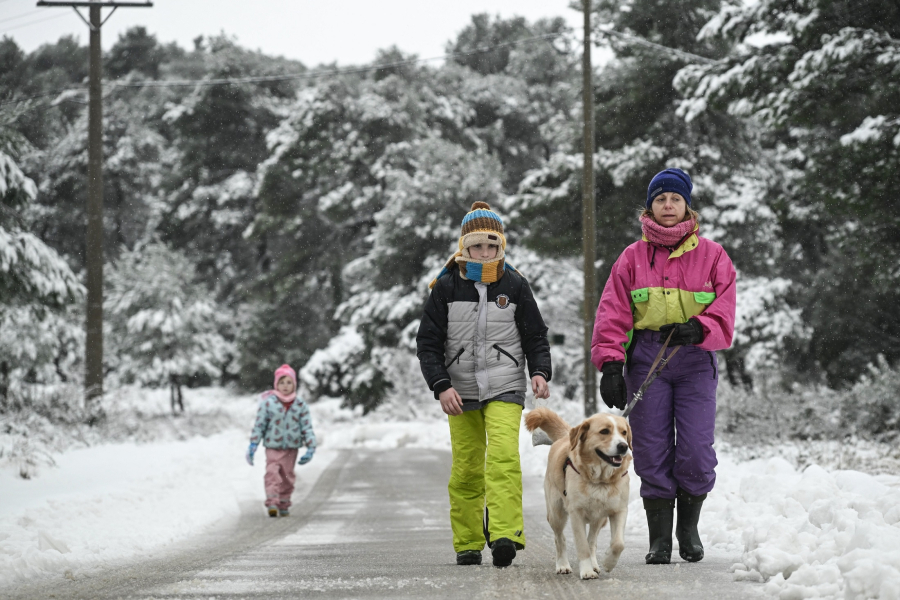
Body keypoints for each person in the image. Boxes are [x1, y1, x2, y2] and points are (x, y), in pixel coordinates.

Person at [591, 168, 736, 565]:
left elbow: (724, 310)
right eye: (660, 199)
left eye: (675, 199)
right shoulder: (631, 258)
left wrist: (700, 327)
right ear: (650, 207)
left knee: (695, 449)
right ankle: (659, 539)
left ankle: (688, 530)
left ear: (687, 206)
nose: (668, 205)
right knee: (651, 448)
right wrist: (611, 365)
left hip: (694, 359)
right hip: (647, 359)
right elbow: (613, 313)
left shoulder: (713, 256)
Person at [416, 201, 552, 568]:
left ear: (501, 246)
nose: (485, 253)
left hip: (505, 385)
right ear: (464, 248)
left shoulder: (515, 284)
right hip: (458, 392)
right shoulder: (445, 287)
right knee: (467, 467)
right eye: (477, 246)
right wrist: (441, 385)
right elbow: (428, 343)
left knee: (504, 458)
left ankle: (506, 535)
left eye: (492, 246)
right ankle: (468, 542)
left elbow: (535, 335)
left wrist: (540, 371)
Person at [245, 364, 317, 517]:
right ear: (276, 384)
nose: (285, 386)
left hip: (291, 447)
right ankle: (272, 502)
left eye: (289, 382)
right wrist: (253, 444)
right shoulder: (268, 403)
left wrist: (311, 447)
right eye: (282, 382)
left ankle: (284, 502)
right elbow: (259, 425)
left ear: (294, 385)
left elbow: (307, 427)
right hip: (273, 446)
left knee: (287, 476)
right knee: (272, 472)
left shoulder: (300, 405)